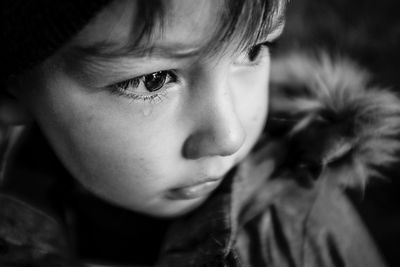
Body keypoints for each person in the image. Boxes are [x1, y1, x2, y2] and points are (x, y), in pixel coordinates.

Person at [0, 0, 397, 266]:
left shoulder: (300, 242)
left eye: (254, 50)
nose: (230, 136)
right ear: (12, 85)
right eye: (153, 81)